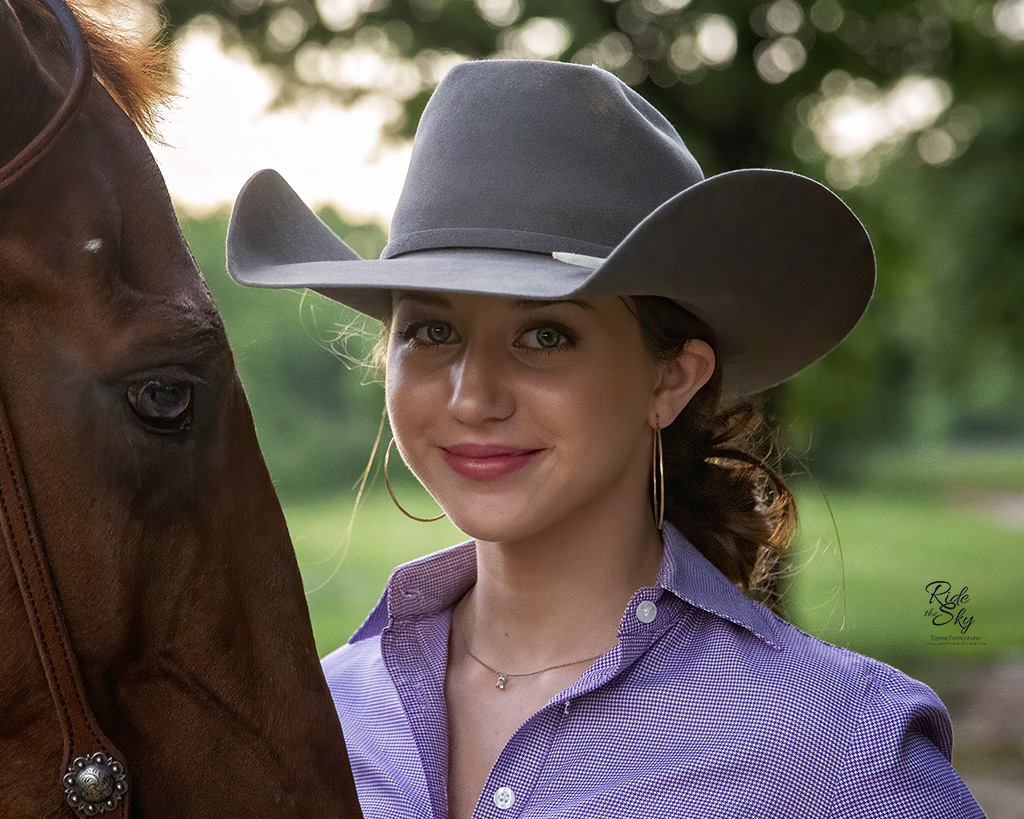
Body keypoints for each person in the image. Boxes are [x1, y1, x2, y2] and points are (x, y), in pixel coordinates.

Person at [227, 59, 985, 818]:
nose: (473, 395)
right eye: (432, 330)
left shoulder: (842, 751)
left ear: (670, 380)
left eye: (545, 334)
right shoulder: (313, 720)